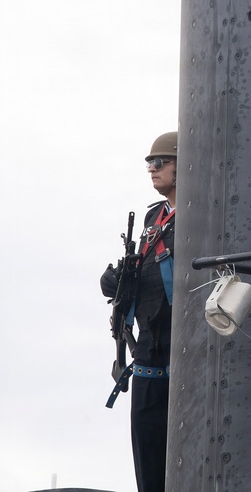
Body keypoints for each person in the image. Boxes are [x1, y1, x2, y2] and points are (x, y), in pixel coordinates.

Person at [100, 131, 178, 492]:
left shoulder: (198, 218)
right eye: (150, 163)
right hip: (147, 353)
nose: (153, 168)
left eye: (160, 162)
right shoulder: (153, 218)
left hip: (181, 354)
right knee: (148, 467)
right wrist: (118, 280)